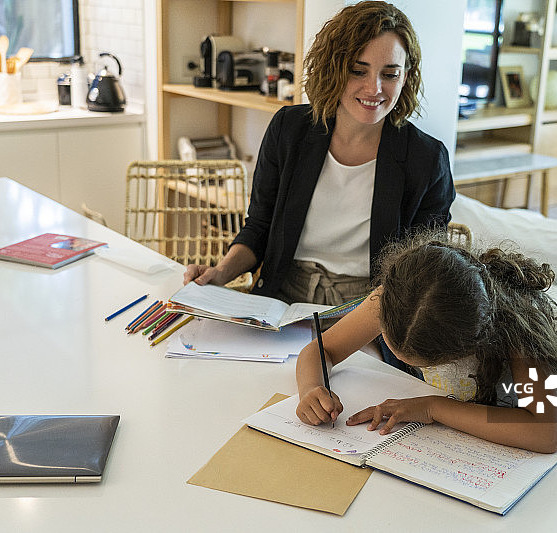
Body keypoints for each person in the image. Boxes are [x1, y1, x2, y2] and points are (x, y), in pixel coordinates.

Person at [183, 1, 455, 310]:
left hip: (369, 309)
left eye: (390, 74)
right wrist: (220, 272)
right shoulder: (289, 129)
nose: (374, 88)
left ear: (406, 77)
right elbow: (259, 226)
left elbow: (419, 274)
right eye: (358, 70)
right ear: (334, 67)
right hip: (282, 295)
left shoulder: (427, 159)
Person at [294, 232, 557, 454]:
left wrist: (433, 408)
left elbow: (547, 432)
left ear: (466, 346)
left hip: (495, 443)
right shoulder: (397, 296)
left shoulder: (518, 330)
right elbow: (322, 349)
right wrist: (311, 388)